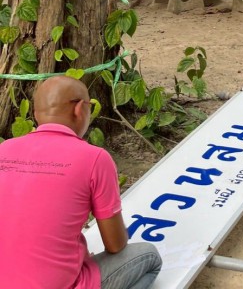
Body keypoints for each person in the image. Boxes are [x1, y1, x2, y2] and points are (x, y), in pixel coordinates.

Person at [0, 75, 162, 289]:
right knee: (150, 256)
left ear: (36, 113)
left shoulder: (4, 149)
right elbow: (115, 245)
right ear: (79, 109)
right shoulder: (95, 158)